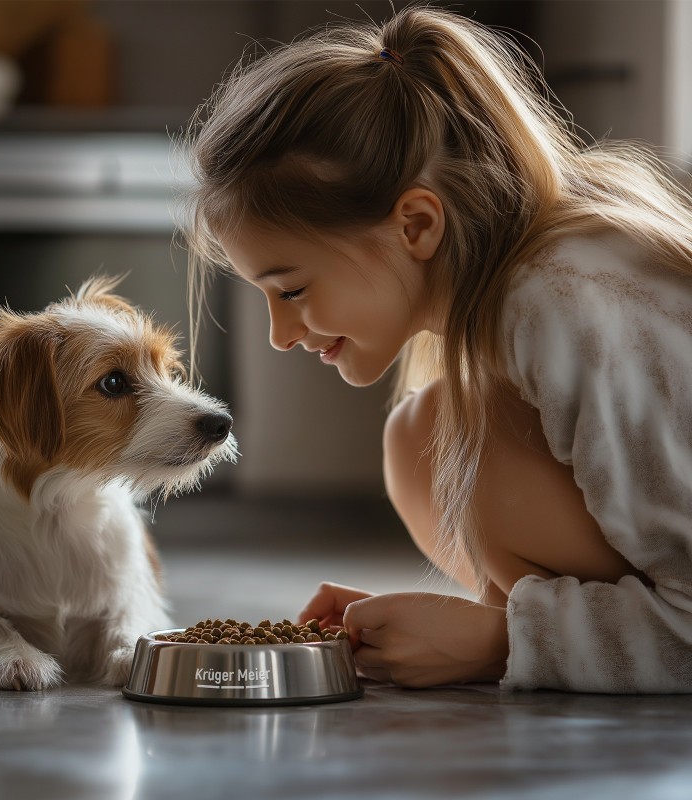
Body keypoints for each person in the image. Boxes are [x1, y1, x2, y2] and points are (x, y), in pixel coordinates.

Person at [181, 5, 692, 692]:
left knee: (458, 444)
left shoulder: (564, 299)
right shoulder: (526, 288)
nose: (282, 334)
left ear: (416, 224)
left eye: (293, 288)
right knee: (423, 435)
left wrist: (502, 643)